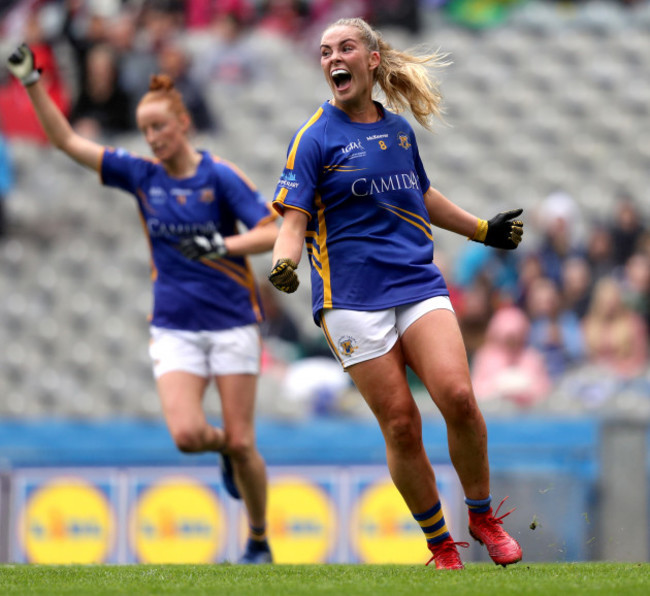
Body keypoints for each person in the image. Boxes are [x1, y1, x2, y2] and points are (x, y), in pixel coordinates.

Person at [265, 17, 524, 570]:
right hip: (350, 302)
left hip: (415, 282)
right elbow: (292, 222)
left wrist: (482, 230)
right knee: (402, 423)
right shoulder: (313, 137)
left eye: (346, 47)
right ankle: (441, 546)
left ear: (372, 58)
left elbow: (421, 192)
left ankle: (481, 515)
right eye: (325, 50)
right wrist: (284, 265)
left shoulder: (398, 130)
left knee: (457, 396)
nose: (334, 57)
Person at [6, 43, 277, 564]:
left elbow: (271, 232)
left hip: (233, 322)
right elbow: (64, 140)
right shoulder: (141, 175)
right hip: (174, 325)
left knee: (247, 444)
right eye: (145, 129)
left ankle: (259, 540)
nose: (152, 138)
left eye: (160, 127)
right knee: (187, 435)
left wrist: (223, 245)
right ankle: (223, 449)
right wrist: (32, 80)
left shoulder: (218, 176)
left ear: (183, 123)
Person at [471, 306, 551, 408]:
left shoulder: (531, 357)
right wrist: (497, 386)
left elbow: (544, 390)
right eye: (507, 338)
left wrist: (525, 388)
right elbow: (476, 390)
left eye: (515, 337)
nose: (511, 342)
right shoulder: (485, 357)